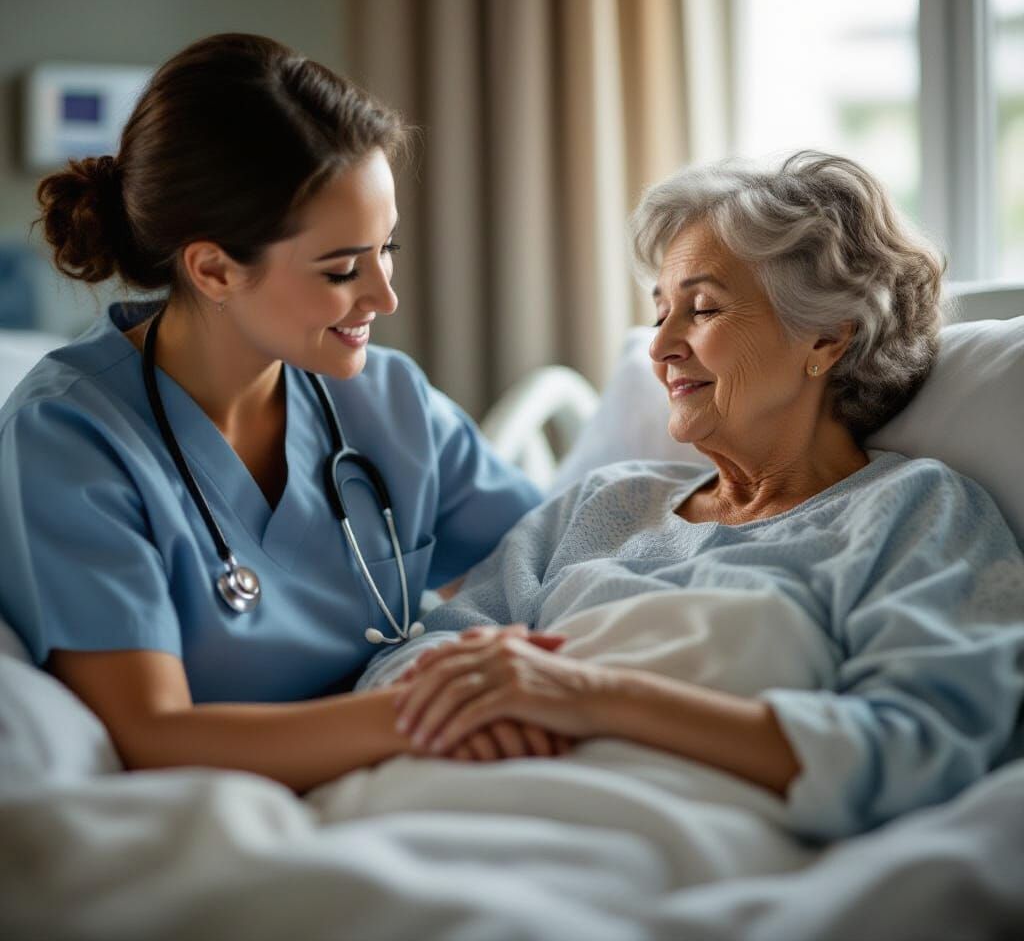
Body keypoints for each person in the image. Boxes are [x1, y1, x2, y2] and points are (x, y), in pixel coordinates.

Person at [368, 151, 1024, 840]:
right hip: (455, 807)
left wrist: (593, 698)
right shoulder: (603, 504)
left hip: (658, 839)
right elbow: (407, 661)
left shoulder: (917, 513)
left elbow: (915, 754)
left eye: (702, 308)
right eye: (660, 313)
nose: (661, 348)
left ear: (827, 339)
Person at [0, 33, 561, 793]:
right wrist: (435, 712)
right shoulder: (69, 441)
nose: (384, 297)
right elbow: (153, 736)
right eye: (341, 269)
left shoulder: (388, 400)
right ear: (213, 268)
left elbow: (560, 557)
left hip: (420, 784)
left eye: (385, 249)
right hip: (252, 809)